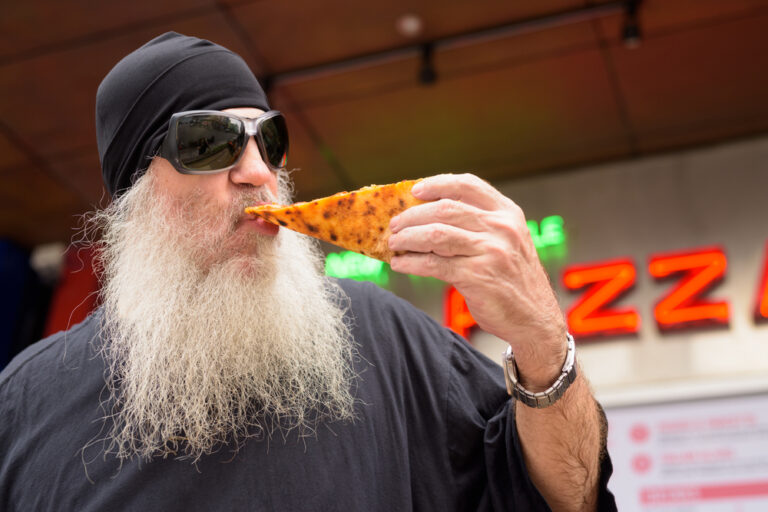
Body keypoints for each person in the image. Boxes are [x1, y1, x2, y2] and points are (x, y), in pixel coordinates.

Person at [0, 33, 616, 511]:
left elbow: (567, 498)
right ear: (135, 192)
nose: (258, 172)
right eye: (211, 142)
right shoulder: (24, 401)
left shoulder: (384, 338)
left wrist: (539, 339)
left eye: (269, 141)